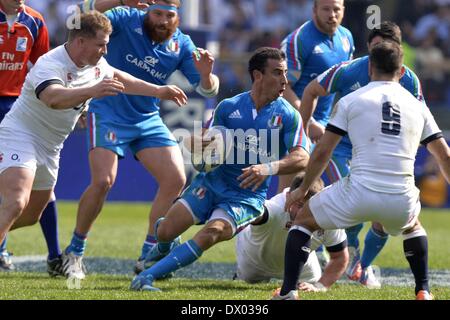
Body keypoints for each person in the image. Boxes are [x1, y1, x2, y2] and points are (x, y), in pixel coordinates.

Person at [0, 10, 188, 280]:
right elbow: (52, 97)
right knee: (16, 201)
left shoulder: (96, 64)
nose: (105, 49)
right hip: (21, 134)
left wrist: (158, 90)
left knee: (30, 216)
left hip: (52, 146)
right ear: (80, 42)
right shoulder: (50, 63)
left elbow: (120, 78)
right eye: (101, 44)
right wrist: (91, 91)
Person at [275, 41, 450, 301]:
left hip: (357, 194)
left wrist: (302, 189)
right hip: (400, 199)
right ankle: (423, 290)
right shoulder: (419, 107)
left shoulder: (351, 100)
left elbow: (322, 152)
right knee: (412, 225)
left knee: (303, 221)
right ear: (402, 72)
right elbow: (444, 156)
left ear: (369, 68)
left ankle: (288, 293)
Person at [129, 47, 310, 291]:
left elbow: (303, 157)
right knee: (165, 231)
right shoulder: (228, 107)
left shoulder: (289, 115)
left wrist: (268, 168)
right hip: (210, 183)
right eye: (277, 73)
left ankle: (146, 277)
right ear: (258, 76)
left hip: (245, 196)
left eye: (285, 73)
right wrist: (194, 142)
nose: (285, 81)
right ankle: (164, 246)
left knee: (211, 232)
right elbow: (203, 139)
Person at [64, 0, 220, 278]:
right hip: (107, 108)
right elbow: (80, 13)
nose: (162, 20)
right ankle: (75, 251)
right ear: (147, 11)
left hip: (146, 118)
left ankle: (149, 253)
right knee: (103, 181)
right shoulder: (125, 18)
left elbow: (208, 91)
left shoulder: (182, 45)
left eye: (169, 15)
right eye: (157, 13)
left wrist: (207, 75)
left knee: (175, 178)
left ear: (177, 17)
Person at [300, 22, 426, 288]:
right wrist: (306, 125)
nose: (376, 54)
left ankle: (360, 265)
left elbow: (420, 121)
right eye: (373, 47)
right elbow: (312, 90)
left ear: (397, 50)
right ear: (367, 47)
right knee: (355, 202)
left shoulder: (409, 79)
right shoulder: (350, 70)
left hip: (383, 152)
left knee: (381, 212)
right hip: (342, 147)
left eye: (383, 47)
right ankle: (342, 254)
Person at [279, 0, 354, 268]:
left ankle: (321, 245)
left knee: (327, 189)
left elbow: (344, 84)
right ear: (314, 11)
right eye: (326, 9)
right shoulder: (299, 39)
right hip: (291, 122)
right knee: (289, 193)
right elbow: (281, 85)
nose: (332, 14)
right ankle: (276, 254)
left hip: (324, 124)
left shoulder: (346, 38)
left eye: (337, 9)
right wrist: (305, 118)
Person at [0, 0, 65, 275]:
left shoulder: (36, 21)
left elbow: (43, 68)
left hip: (18, 110)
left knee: (40, 184)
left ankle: (55, 255)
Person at [235, 172, 348, 292]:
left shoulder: (327, 216)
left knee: (313, 283)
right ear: (289, 196)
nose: (302, 213)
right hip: (253, 262)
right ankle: (238, 274)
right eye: (299, 205)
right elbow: (253, 212)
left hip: (303, 267)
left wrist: (320, 287)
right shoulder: (275, 208)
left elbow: (340, 257)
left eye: (309, 207)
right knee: (245, 281)